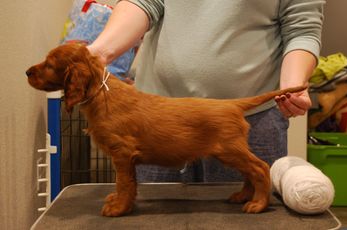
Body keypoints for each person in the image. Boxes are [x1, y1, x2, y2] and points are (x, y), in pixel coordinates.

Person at [87, 0, 325, 182]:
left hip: (250, 121)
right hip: (156, 119)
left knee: (245, 222)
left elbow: (301, 29)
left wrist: (291, 87)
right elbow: (145, 2)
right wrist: (100, 53)